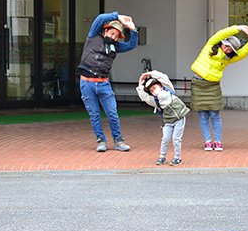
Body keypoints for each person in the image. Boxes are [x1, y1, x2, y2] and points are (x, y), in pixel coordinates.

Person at [78, 12, 138, 152]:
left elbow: (131, 45)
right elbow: (99, 18)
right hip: (87, 82)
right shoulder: (93, 36)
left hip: (104, 83)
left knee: (112, 113)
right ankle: (101, 140)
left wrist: (133, 30)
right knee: (94, 114)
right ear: (105, 30)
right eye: (112, 33)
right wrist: (117, 16)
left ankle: (118, 140)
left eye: (117, 36)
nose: (114, 37)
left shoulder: (116, 46)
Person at [191, 25, 248, 151]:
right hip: (198, 83)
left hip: (212, 85)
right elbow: (221, 33)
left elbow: (242, 54)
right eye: (225, 45)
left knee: (215, 114)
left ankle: (218, 141)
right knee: (203, 114)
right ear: (222, 43)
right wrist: (239, 28)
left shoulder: (227, 58)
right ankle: (208, 141)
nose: (226, 49)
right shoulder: (211, 45)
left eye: (229, 49)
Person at [136, 70, 190, 166]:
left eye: (154, 87)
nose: (154, 91)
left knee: (176, 139)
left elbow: (163, 77)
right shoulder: (155, 101)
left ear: (160, 85)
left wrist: (151, 73)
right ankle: (162, 156)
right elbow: (144, 97)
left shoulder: (169, 89)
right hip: (168, 121)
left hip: (179, 118)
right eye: (151, 91)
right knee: (165, 138)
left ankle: (177, 157)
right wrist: (140, 85)